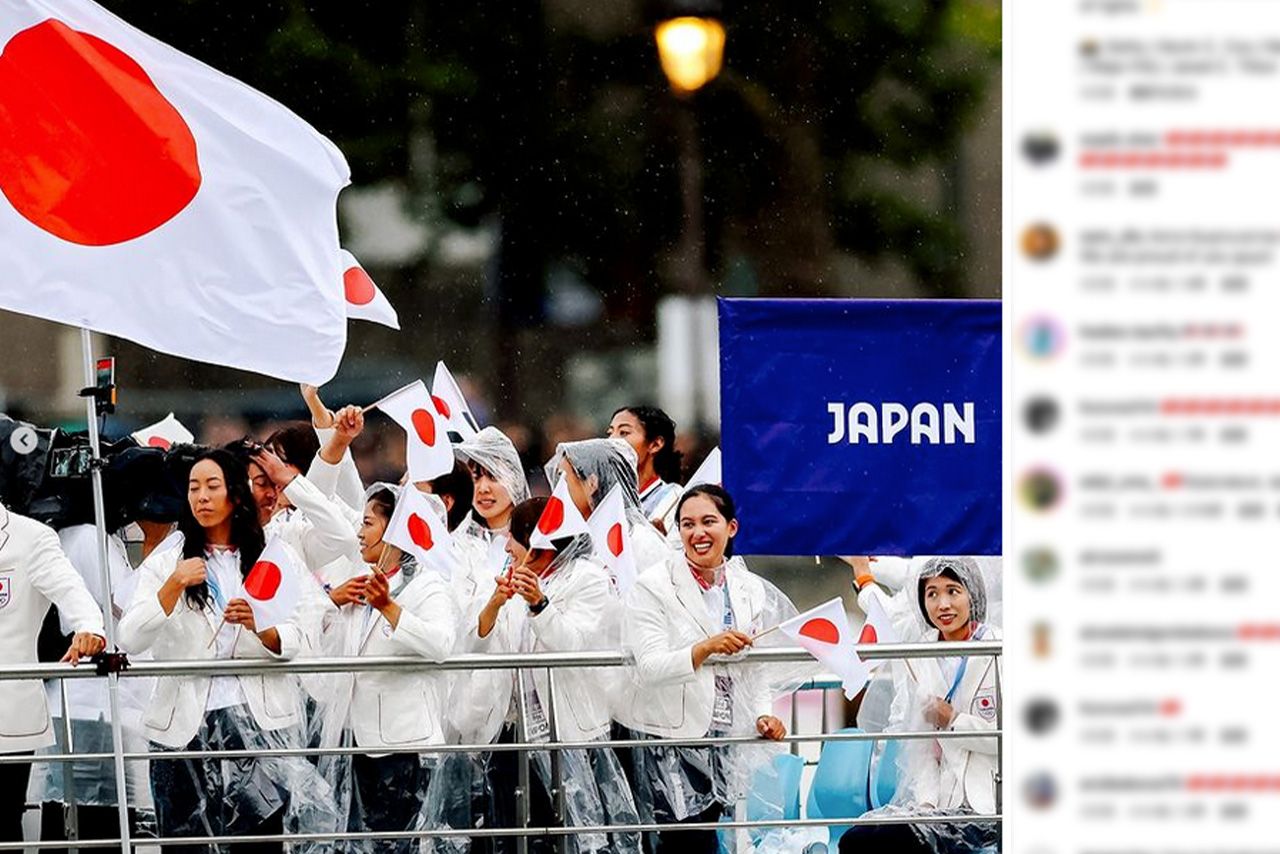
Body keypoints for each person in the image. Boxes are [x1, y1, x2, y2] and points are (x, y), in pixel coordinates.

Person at [118, 448, 335, 852]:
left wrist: (263, 629)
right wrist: (172, 587)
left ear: (235, 495)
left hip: (260, 724)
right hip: (183, 728)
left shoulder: (274, 555)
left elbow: (304, 632)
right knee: (187, 842)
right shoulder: (170, 561)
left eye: (212, 486)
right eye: (193, 488)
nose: (201, 497)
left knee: (257, 843)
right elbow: (129, 637)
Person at [432, 498, 639, 854]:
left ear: (538, 540)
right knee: (509, 830)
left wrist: (539, 604)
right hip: (509, 728)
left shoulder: (587, 578)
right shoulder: (506, 574)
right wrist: (494, 604)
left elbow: (574, 645)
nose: (508, 545)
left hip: (565, 731)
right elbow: (474, 642)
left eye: (514, 536)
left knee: (565, 833)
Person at [616, 485, 796, 854]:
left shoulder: (748, 588)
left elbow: (754, 668)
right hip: (670, 739)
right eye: (687, 524)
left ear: (731, 528)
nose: (697, 533)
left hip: (726, 737)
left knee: (715, 836)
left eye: (708, 522)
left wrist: (763, 715)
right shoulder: (652, 586)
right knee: (684, 843)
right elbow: (648, 666)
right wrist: (703, 649)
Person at [314, 485, 458, 853]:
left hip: (402, 744)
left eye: (367, 523)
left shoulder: (427, 585)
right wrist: (331, 603)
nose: (359, 533)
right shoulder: (359, 581)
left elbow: (440, 645)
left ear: (396, 529)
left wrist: (388, 608)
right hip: (355, 740)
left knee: (400, 844)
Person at [839, 557, 1002, 854]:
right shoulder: (921, 654)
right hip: (940, 806)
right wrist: (925, 804)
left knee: (890, 843)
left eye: (953, 591)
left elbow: (1007, 739)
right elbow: (925, 749)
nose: (943, 605)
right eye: (932, 594)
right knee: (854, 839)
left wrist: (953, 719)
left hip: (991, 806)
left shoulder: (999, 649)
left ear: (973, 594)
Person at [0, 504, 106, 843]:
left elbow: (71, 590)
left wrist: (89, 628)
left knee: (2, 820)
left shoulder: (30, 537)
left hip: (8, 713)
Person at [542, 438, 672, 584]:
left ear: (592, 483)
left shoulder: (640, 542)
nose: (557, 491)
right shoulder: (577, 543)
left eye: (563, 479)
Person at [606, 406, 682, 526]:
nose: (611, 440)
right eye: (610, 433)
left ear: (655, 444)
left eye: (624, 433)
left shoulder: (674, 498)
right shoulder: (604, 498)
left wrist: (657, 541)